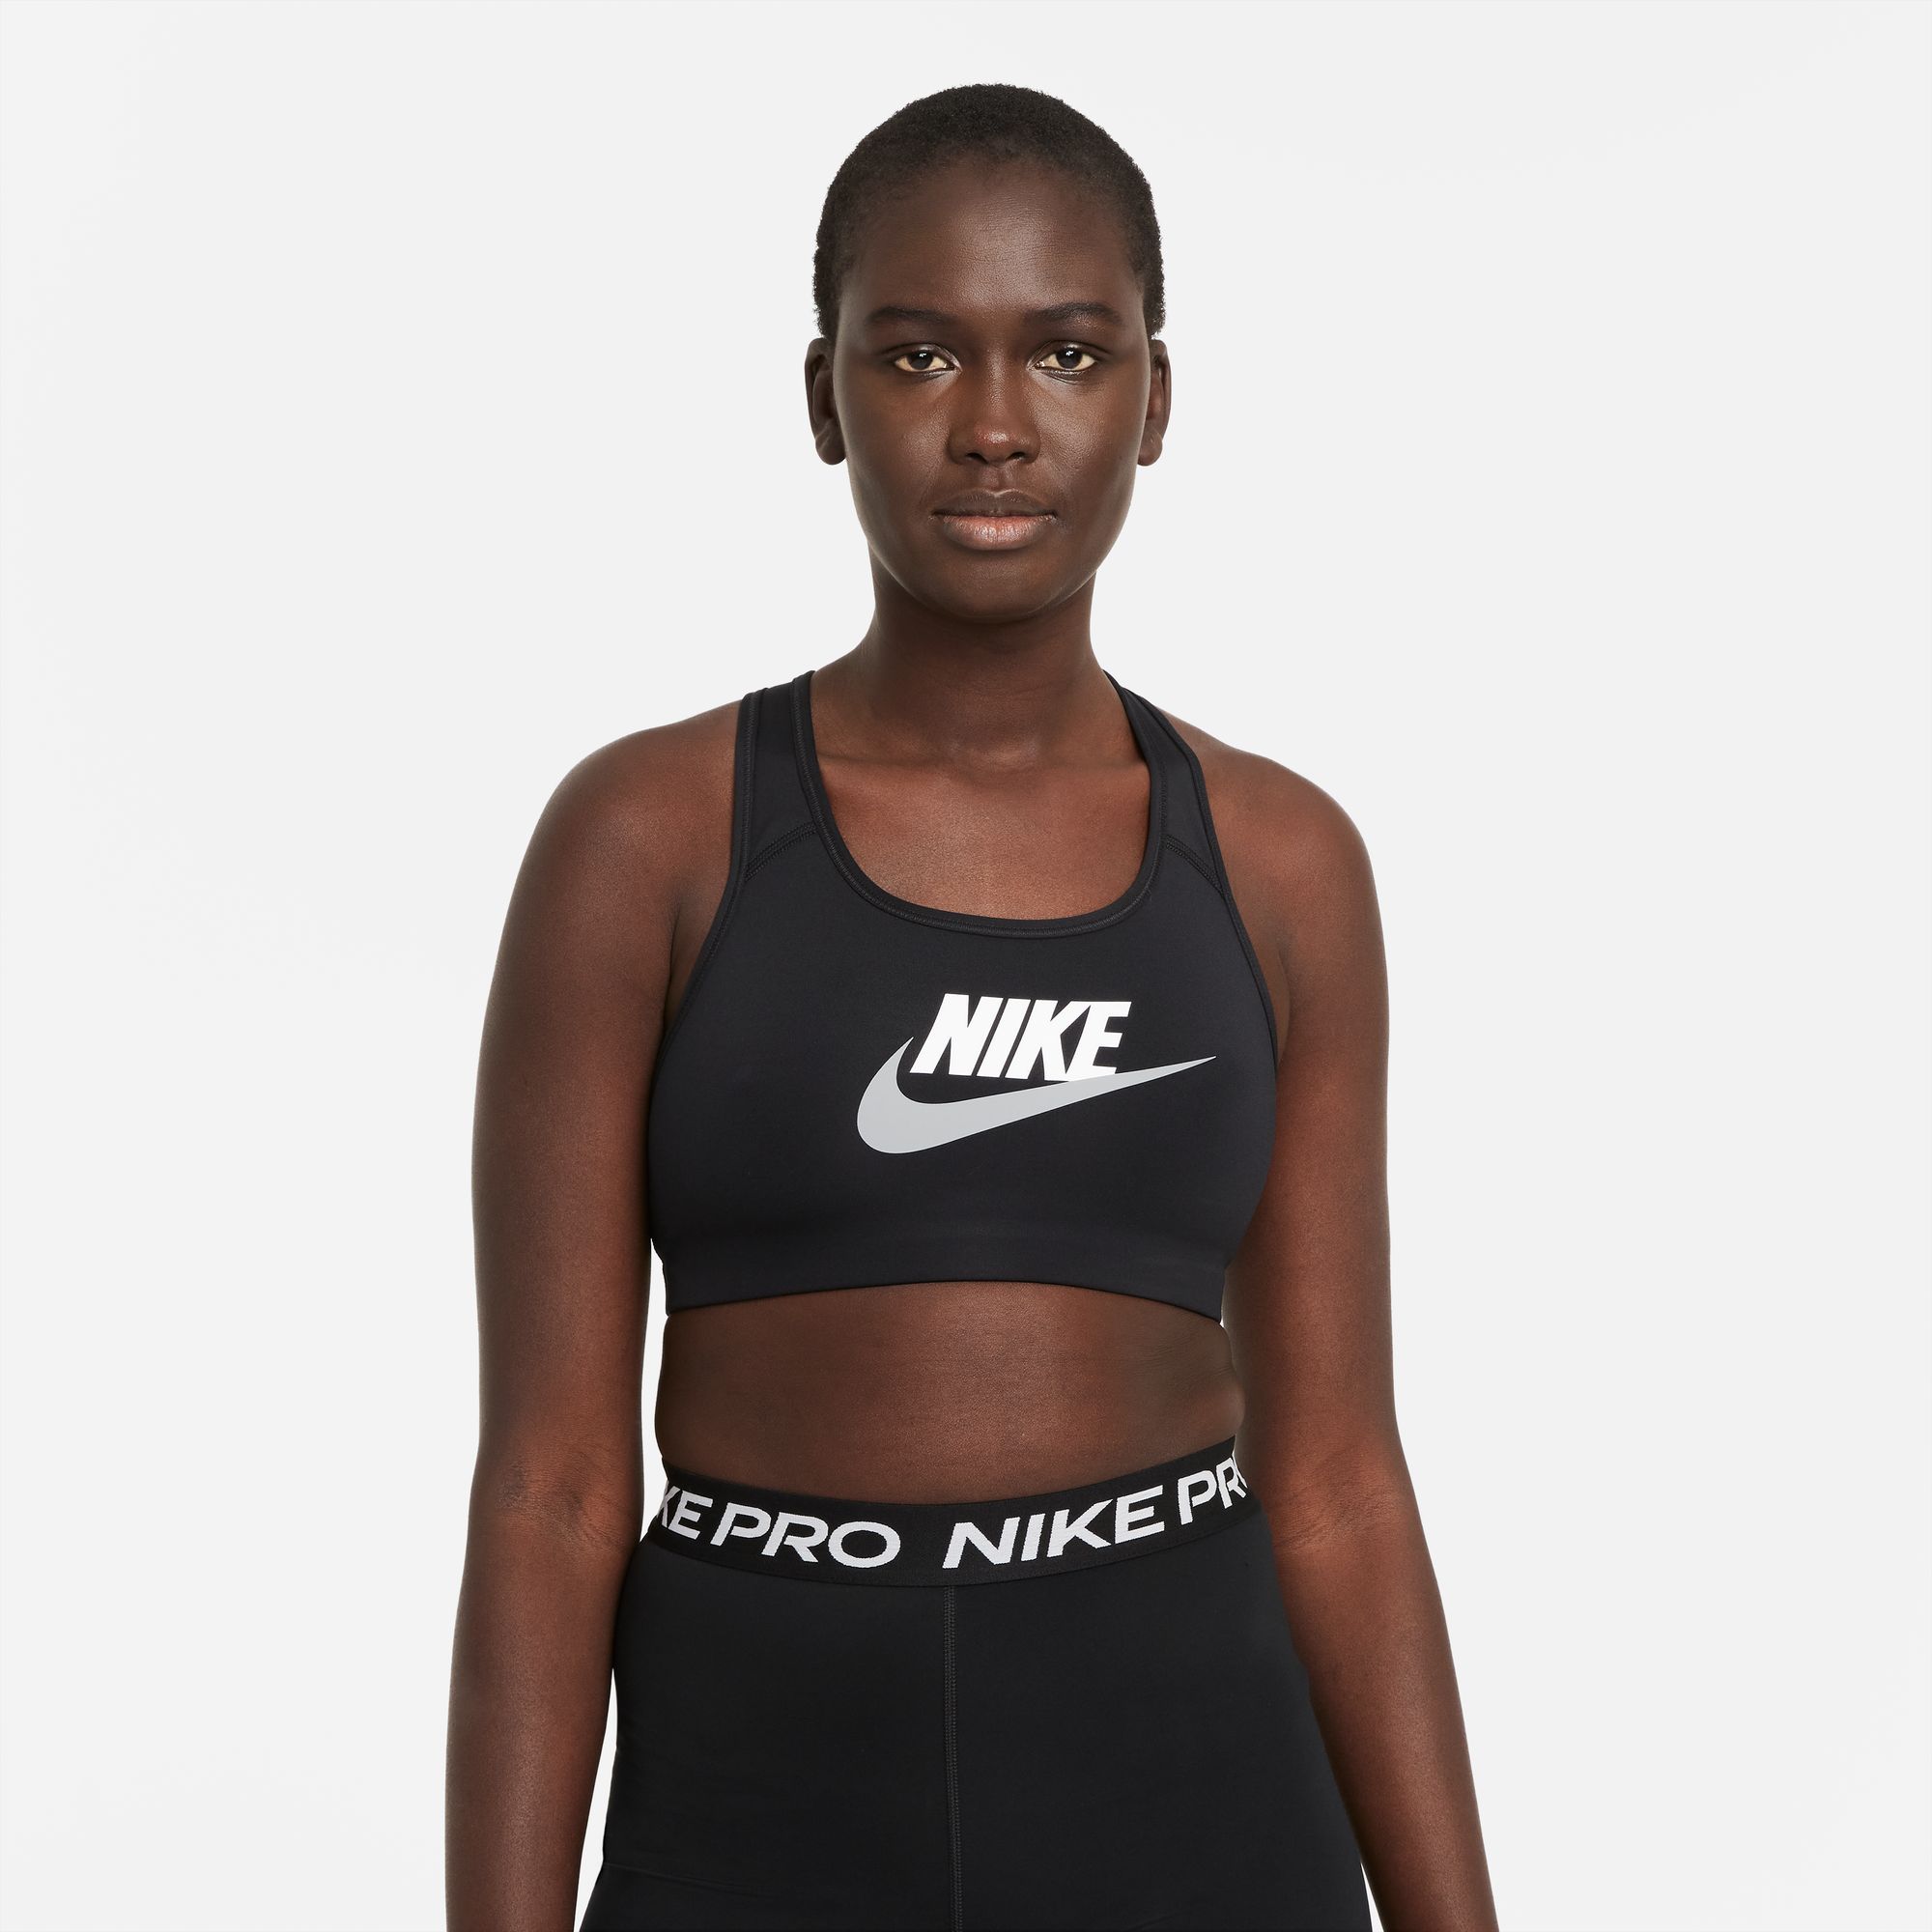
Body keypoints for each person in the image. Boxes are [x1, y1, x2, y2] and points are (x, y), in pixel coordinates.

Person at [446, 83, 1498, 1932]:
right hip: (756, 1801)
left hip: (1193, 1789)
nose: (996, 425)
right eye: (920, 352)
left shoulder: (1280, 863)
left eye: (1069, 352)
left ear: (1154, 399)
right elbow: (550, 1485)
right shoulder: (650, 837)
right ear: (823, 395)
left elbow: (1338, 1479)